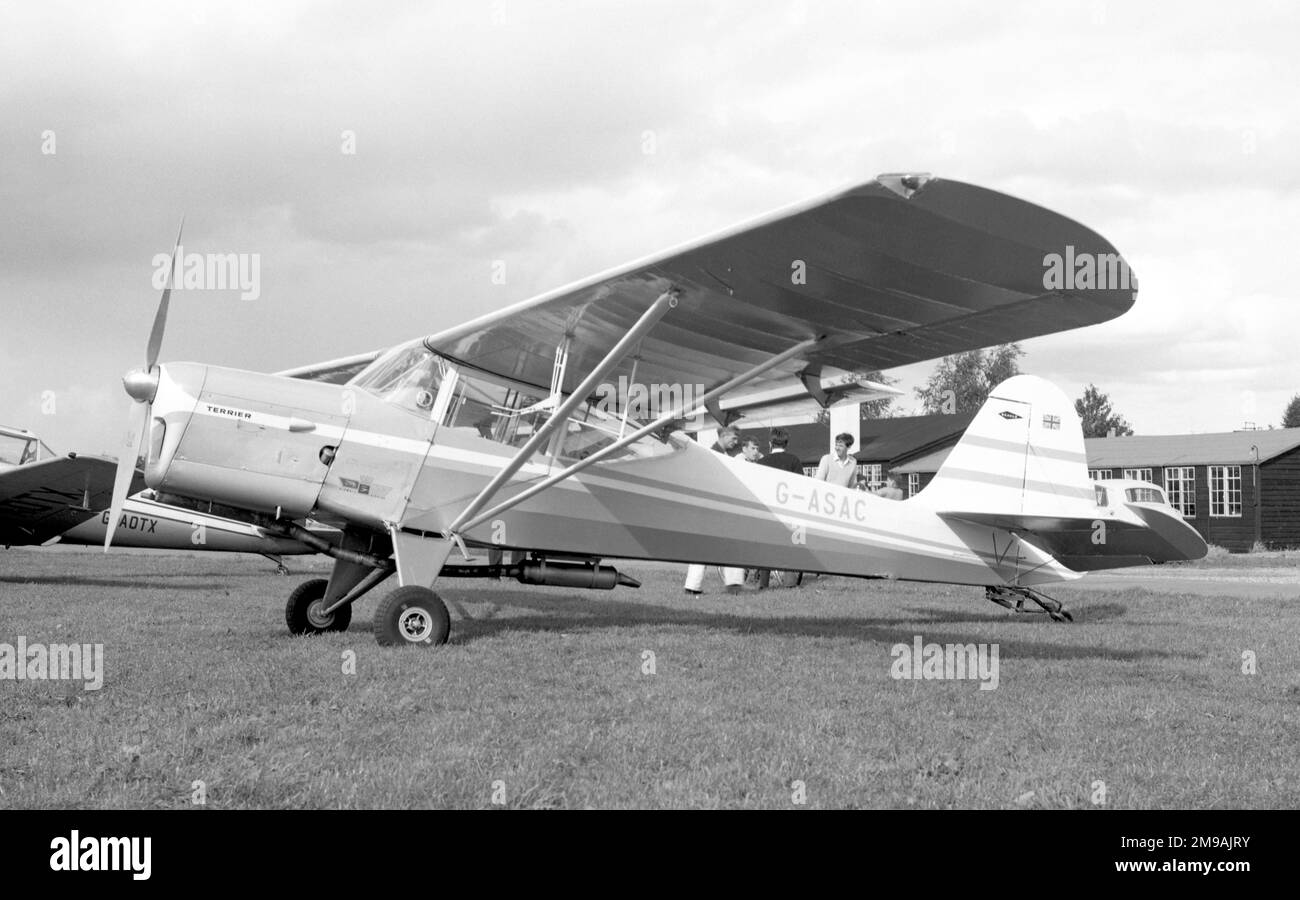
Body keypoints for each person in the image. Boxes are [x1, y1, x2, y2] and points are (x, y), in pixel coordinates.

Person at [685, 426, 746, 594]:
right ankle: (733, 584)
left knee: (702, 549)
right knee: (731, 545)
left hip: (707, 509)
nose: (736, 442)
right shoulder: (717, 455)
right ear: (724, 435)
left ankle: (692, 585)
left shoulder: (713, 453)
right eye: (734, 438)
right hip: (716, 509)